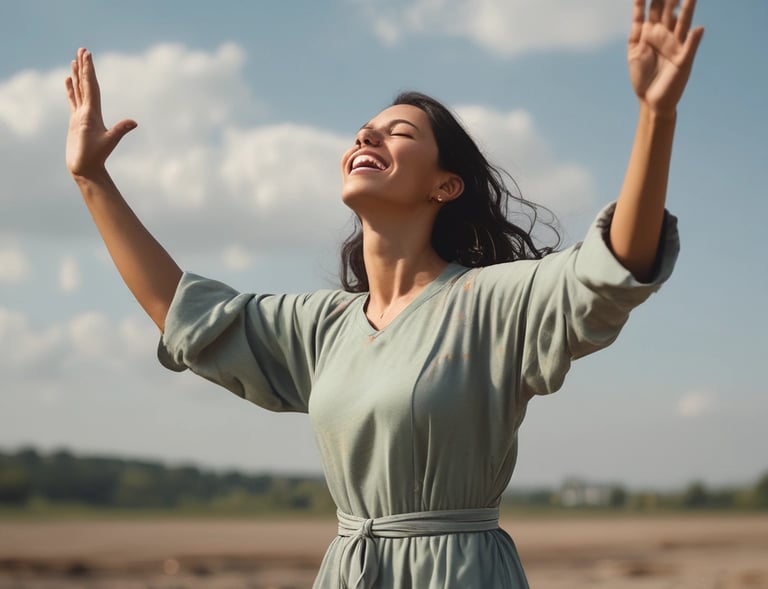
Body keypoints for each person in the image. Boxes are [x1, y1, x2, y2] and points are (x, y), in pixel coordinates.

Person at [64, 0, 703, 586]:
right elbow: (183, 314)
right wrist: (93, 178)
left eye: (399, 132)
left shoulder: (492, 303)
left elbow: (613, 266)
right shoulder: (321, 327)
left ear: (445, 186)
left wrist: (656, 116)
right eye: (364, 129)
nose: (367, 137)